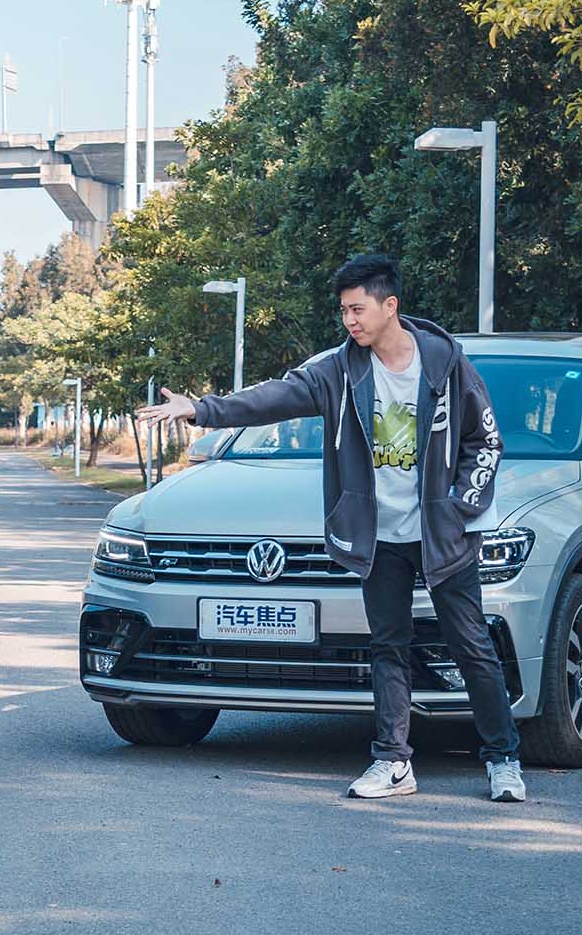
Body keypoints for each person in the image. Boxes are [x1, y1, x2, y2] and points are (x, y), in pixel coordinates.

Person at [138, 254, 525, 803]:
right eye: (344, 311)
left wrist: (459, 506)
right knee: (388, 647)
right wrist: (202, 410)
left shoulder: (445, 362)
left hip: (442, 535)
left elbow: (484, 440)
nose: (349, 320)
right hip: (378, 535)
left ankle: (503, 759)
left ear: (390, 306)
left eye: (358, 309)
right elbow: (273, 398)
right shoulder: (339, 370)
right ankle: (393, 762)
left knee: (471, 645)